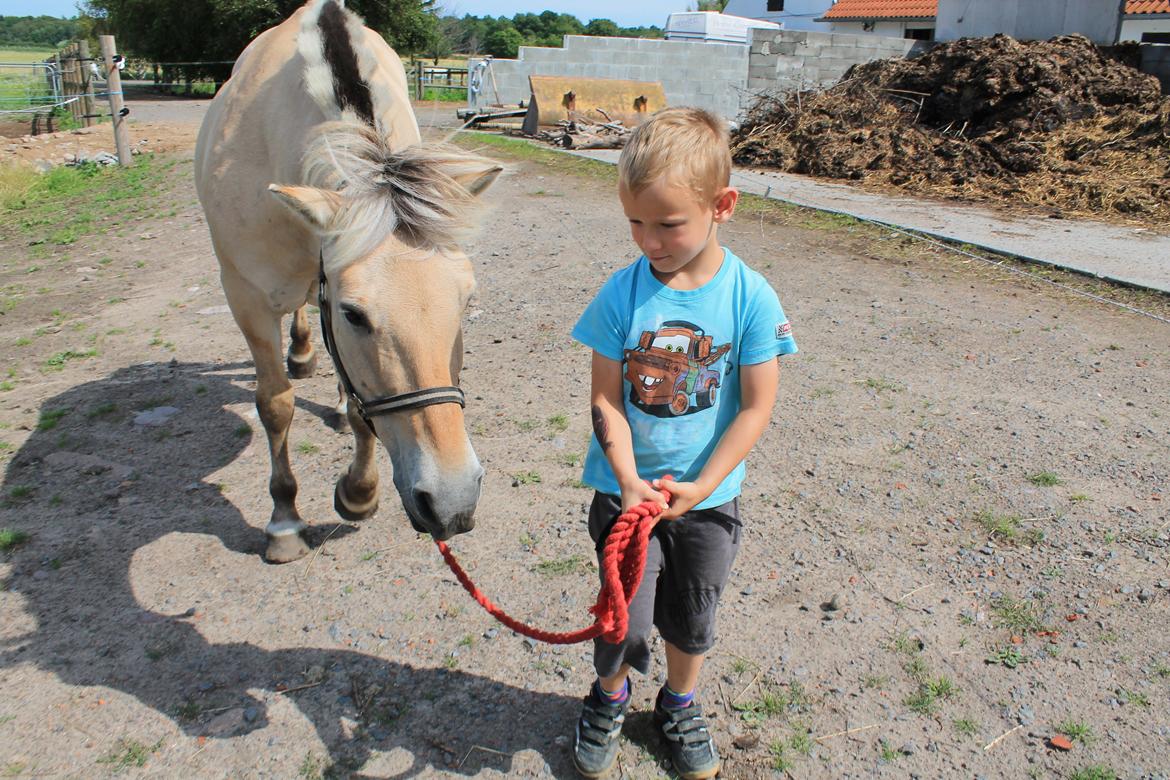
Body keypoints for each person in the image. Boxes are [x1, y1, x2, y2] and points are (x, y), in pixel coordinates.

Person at [569, 107, 798, 779]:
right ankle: (609, 697)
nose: (650, 242)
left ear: (722, 205)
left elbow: (756, 407)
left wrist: (703, 484)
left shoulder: (749, 298)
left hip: (707, 499)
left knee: (692, 619)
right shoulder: (621, 294)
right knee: (622, 620)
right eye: (635, 223)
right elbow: (606, 397)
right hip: (626, 496)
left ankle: (679, 701)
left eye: (668, 224)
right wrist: (626, 476)